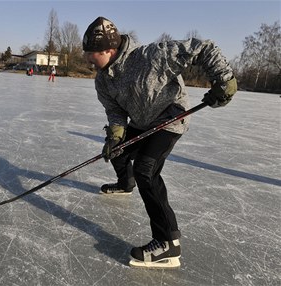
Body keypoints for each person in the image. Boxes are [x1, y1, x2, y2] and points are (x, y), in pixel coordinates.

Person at [82, 17, 237, 269]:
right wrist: (116, 134)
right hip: (143, 120)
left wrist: (224, 79)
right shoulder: (103, 79)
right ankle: (125, 183)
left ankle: (168, 243)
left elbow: (203, 47)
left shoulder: (150, 56)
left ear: (108, 50)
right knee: (117, 150)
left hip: (170, 116)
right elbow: (115, 110)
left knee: (146, 169)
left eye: (91, 54)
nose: (88, 59)